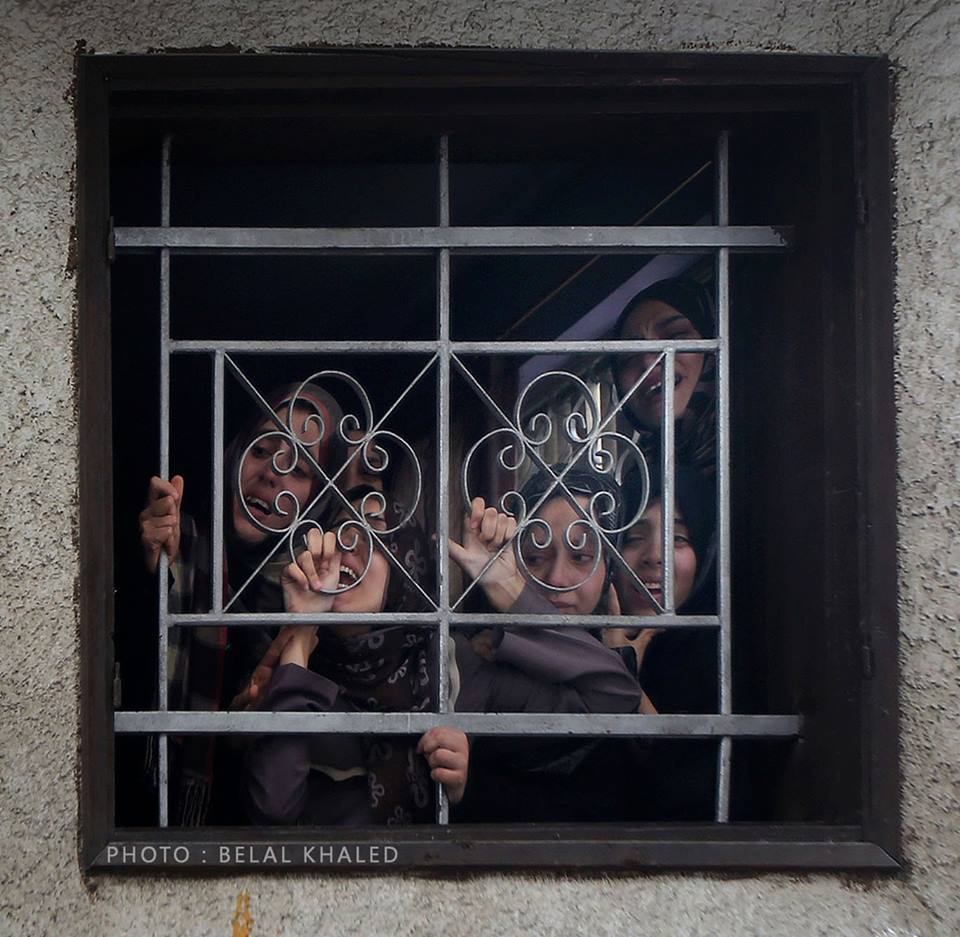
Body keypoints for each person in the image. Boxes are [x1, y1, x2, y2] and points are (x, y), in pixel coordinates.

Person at [138, 382, 348, 825]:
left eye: (299, 468)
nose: (271, 473)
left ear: (320, 496)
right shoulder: (180, 546)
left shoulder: (323, 592)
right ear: (234, 456)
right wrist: (152, 573)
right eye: (261, 450)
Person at [245, 485, 469, 825]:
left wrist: (462, 785)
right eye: (340, 529)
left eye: (375, 534)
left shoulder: (448, 667)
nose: (348, 543)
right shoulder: (276, 666)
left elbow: (562, 719)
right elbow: (272, 810)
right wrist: (302, 630)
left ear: (407, 565)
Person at [448, 463, 646, 821]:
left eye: (581, 556)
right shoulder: (478, 656)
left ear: (610, 569)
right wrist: (507, 589)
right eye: (536, 557)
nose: (557, 577)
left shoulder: (627, 647)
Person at [584, 463, 720, 821]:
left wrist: (619, 669)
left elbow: (688, 795)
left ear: (707, 555)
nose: (654, 556)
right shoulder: (574, 644)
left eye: (678, 539)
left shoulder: (719, 662)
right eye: (633, 538)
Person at [612, 276, 716, 476]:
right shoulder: (639, 484)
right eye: (629, 355)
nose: (648, 362)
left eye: (675, 336)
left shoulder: (763, 449)